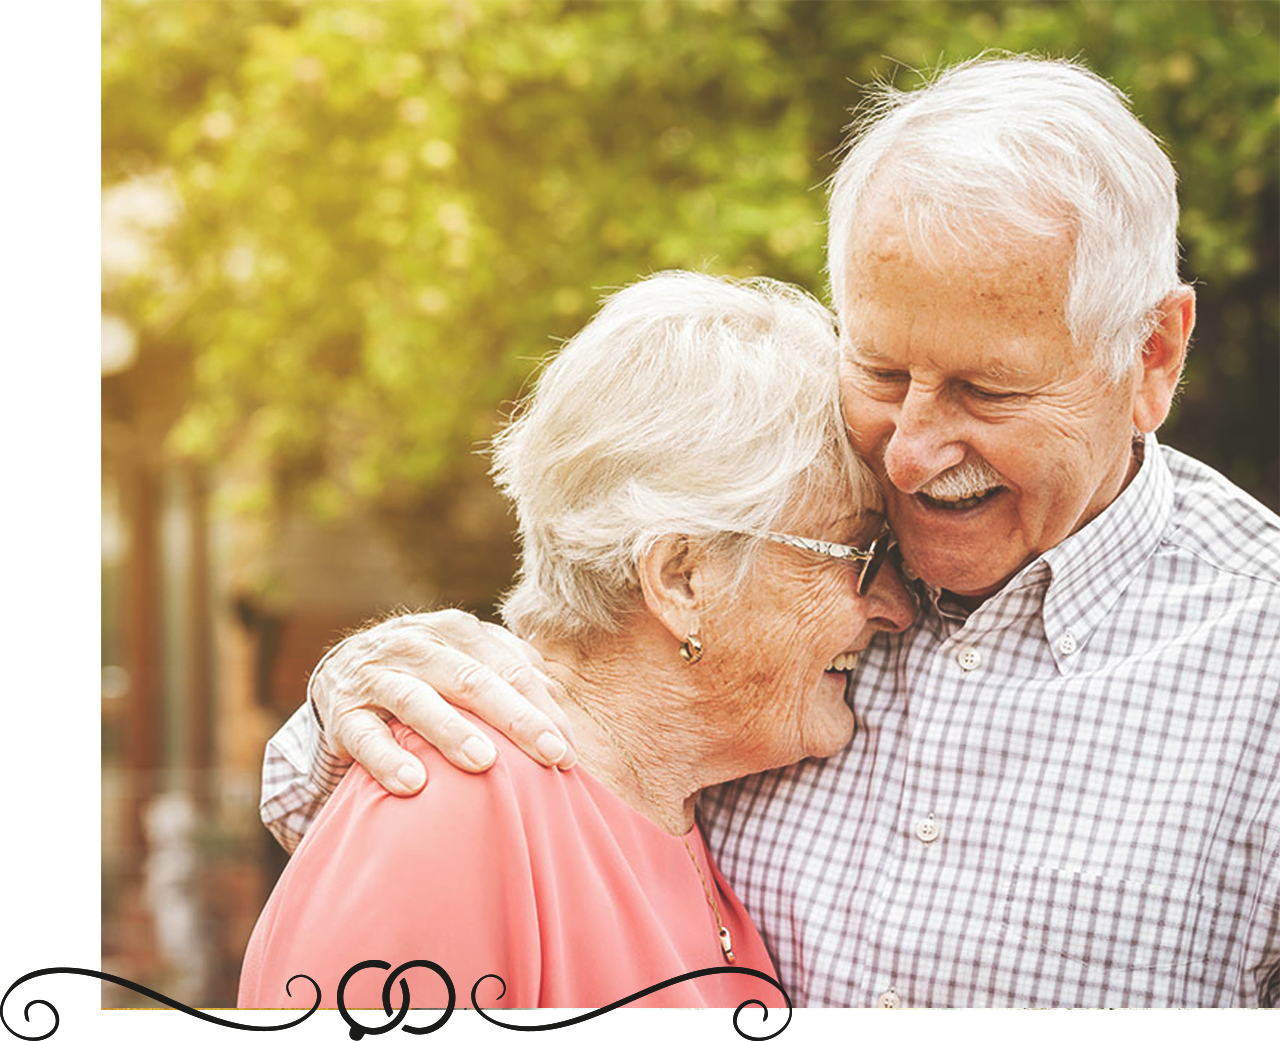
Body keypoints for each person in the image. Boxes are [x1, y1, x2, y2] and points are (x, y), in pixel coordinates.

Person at [261, 55, 1280, 1006]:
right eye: (881, 373)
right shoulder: (737, 602)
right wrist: (353, 702)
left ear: (1149, 355)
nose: (911, 454)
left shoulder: (1258, 663)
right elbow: (515, 753)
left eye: (984, 390)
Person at [239, 271, 915, 1008]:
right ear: (682, 577)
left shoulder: (689, 816)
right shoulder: (456, 800)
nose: (895, 605)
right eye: (862, 551)